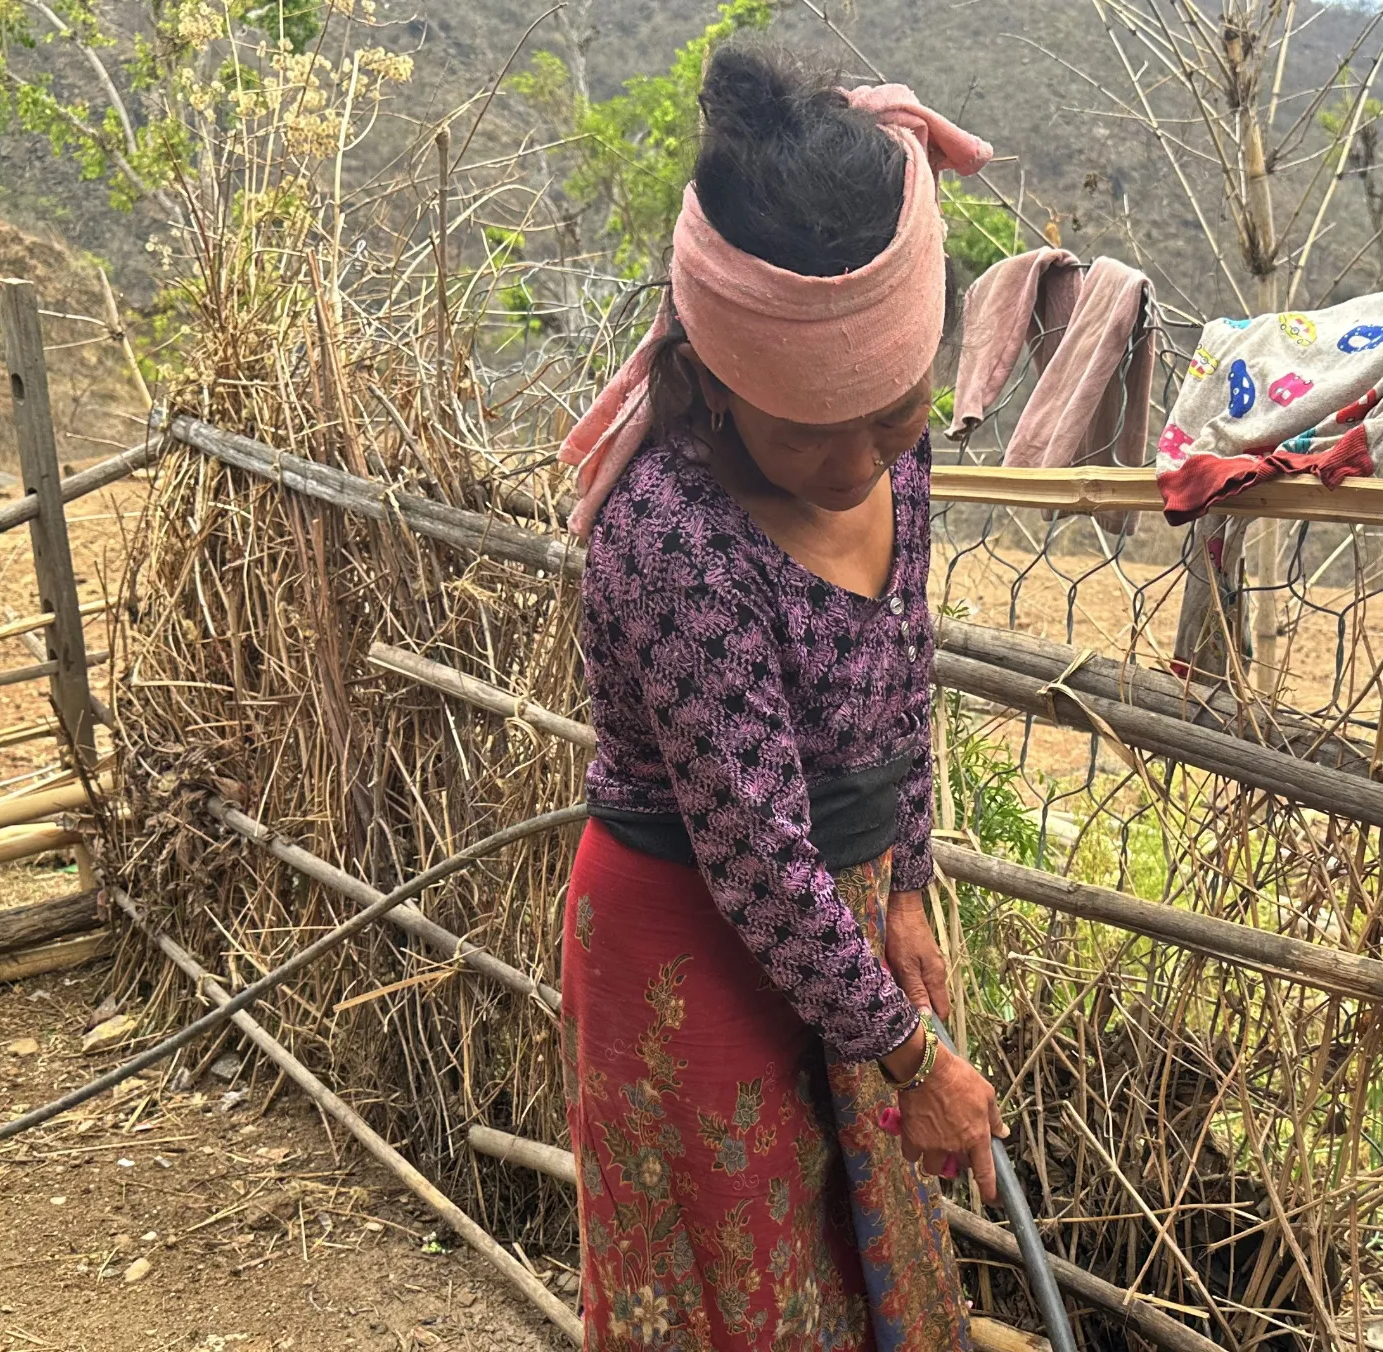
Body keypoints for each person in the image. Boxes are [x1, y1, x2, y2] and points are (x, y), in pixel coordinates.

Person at [557, 41, 1007, 1352]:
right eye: (812, 428)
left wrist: (910, 888)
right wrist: (915, 1057)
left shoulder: (893, 463)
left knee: (875, 1261)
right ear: (716, 379)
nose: (862, 460)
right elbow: (755, 857)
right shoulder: (671, 534)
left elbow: (903, 676)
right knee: (740, 1287)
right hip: (690, 939)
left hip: (846, 920)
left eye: (894, 413)